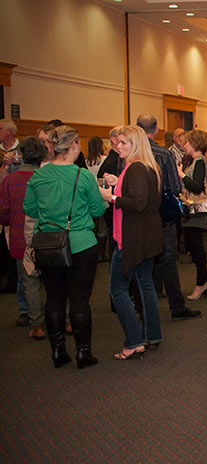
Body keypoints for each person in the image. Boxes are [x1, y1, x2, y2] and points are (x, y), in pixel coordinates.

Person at [23, 125, 108, 368]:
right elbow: (97, 209)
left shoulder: (38, 176)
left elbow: (29, 209)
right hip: (81, 244)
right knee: (80, 300)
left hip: (48, 245)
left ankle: (58, 351)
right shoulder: (82, 176)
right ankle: (83, 352)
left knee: (54, 298)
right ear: (73, 146)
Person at [100, 125, 163, 359]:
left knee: (117, 289)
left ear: (135, 144)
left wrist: (112, 197)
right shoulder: (148, 166)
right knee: (145, 284)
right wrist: (119, 183)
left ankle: (134, 341)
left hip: (133, 237)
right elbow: (142, 198)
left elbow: (137, 202)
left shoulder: (136, 168)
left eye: (123, 143)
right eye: (118, 143)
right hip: (146, 235)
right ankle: (151, 334)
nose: (118, 147)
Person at [136, 114, 201, 321]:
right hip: (162, 214)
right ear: (156, 131)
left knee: (143, 259)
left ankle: (145, 304)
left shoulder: (131, 153)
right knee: (168, 259)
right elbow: (174, 186)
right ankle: (176, 306)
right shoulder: (164, 154)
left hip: (137, 215)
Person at [0, 136, 47, 340]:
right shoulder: (48, 178)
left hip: (21, 239)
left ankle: (37, 324)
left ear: (22, 155)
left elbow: (3, 213)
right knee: (55, 281)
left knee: (29, 283)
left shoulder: (10, 180)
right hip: (50, 238)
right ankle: (63, 320)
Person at [178, 129, 207, 301]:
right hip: (194, 211)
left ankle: (202, 282)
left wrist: (181, 175)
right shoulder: (198, 160)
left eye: (186, 142)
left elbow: (197, 186)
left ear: (193, 143)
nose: (184, 145)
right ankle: (205, 280)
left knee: (196, 247)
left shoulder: (200, 161)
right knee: (195, 246)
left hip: (196, 210)